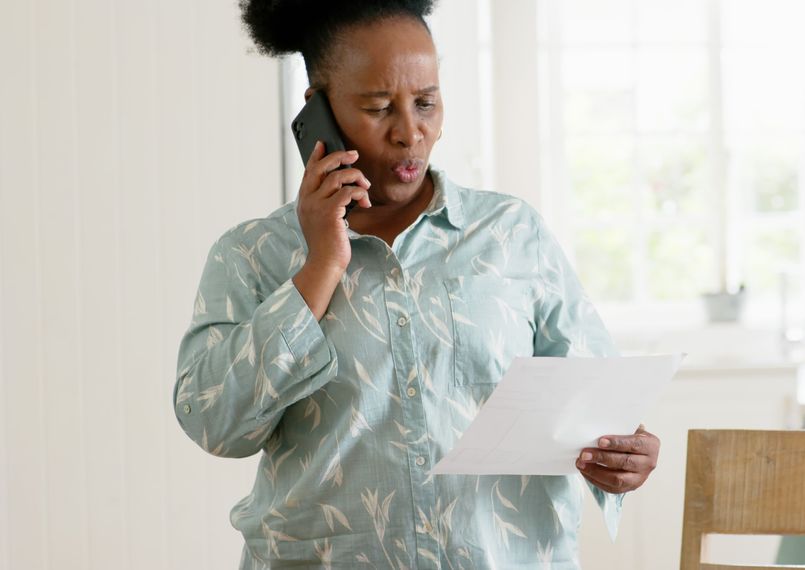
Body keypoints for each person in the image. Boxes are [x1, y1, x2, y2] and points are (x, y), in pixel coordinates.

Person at [172, 0, 661, 567]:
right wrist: (321, 267)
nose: (411, 133)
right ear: (319, 113)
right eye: (379, 108)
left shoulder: (511, 234)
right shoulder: (252, 254)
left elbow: (599, 406)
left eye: (426, 102)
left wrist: (625, 457)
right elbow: (213, 424)